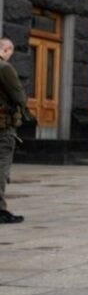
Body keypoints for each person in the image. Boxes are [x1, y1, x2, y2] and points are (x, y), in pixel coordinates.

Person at [0, 37, 30, 224]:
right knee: (1, 167)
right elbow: (19, 96)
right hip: (2, 128)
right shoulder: (4, 68)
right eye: (10, 51)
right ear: (6, 50)